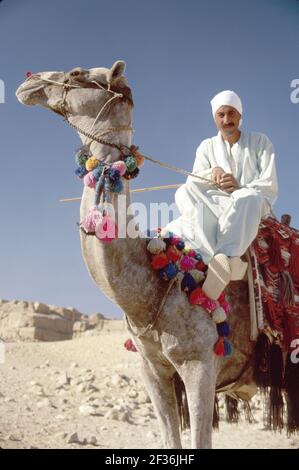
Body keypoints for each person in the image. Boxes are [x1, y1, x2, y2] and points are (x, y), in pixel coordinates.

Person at [164, 90, 278, 300]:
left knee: (248, 198)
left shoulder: (261, 142)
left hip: (248, 206)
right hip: (217, 204)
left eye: (231, 113)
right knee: (184, 192)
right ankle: (215, 259)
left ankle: (226, 257)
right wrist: (211, 173)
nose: (227, 120)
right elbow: (194, 181)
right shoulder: (206, 147)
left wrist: (239, 186)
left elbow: (269, 185)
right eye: (221, 115)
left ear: (240, 115)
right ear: (215, 118)